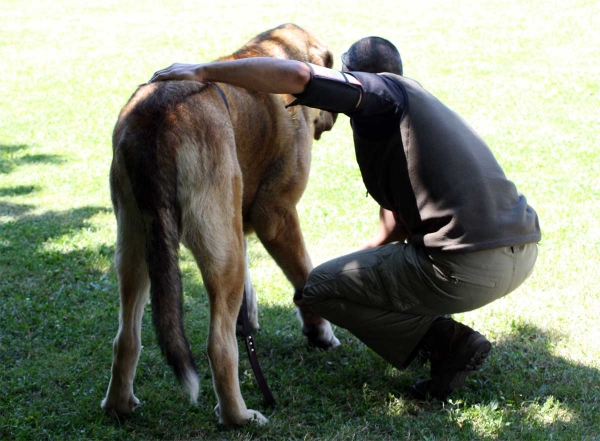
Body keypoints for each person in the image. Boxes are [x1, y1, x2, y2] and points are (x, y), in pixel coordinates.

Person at [150, 36, 540, 399]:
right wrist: (350, 277)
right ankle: (442, 339)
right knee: (331, 282)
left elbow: (300, 75)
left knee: (319, 288)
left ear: (353, 76)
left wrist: (203, 71)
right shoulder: (419, 107)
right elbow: (396, 226)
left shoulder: (379, 93)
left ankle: (446, 343)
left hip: (465, 265)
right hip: (519, 252)